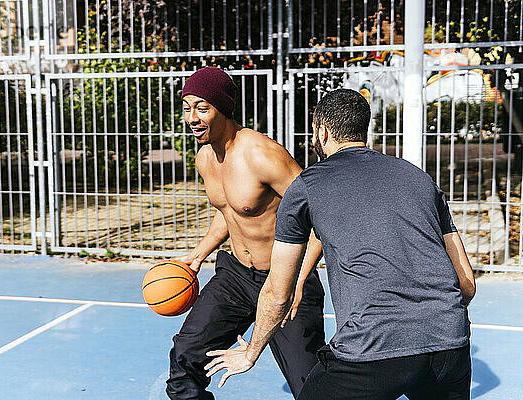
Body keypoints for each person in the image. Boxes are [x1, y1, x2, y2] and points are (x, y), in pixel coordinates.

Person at [205, 89, 476, 400]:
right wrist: (431, 322)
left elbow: (279, 293)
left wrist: (251, 352)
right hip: (450, 344)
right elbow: (466, 284)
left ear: (323, 131)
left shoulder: (307, 186)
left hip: (371, 348)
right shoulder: (419, 178)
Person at [165, 67, 326, 400]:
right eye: (187, 107)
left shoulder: (262, 155)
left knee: (312, 389)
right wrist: (197, 256)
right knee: (185, 360)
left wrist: (297, 279)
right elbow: (230, 213)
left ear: (223, 109)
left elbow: (321, 217)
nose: (192, 117)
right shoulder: (204, 158)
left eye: (202, 107)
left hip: (284, 279)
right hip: (236, 275)